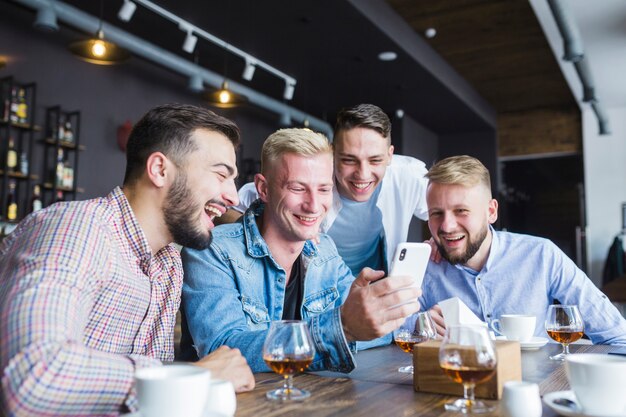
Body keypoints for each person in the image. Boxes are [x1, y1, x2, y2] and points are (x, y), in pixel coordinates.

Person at [0, 104, 255, 417]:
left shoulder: (168, 263)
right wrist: (195, 377)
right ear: (160, 170)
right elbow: (33, 380)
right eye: (220, 174)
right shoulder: (77, 230)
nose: (232, 196)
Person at [181, 128, 421, 372]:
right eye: (297, 189)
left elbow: (375, 328)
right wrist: (343, 327)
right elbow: (223, 351)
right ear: (263, 189)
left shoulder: (324, 250)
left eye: (324, 189)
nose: (314, 206)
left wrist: (388, 315)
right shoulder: (211, 251)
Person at [419, 155, 626, 344]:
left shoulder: (542, 255)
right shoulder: (424, 265)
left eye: (461, 211)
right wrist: (420, 324)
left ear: (491, 212)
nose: (446, 226)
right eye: (436, 213)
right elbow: (394, 331)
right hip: (456, 380)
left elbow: (616, 334)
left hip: (537, 382)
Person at [230, 103, 429, 276]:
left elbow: (449, 208)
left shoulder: (408, 175)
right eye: (349, 160)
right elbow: (229, 209)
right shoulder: (313, 176)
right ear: (333, 153)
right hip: (321, 292)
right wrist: (283, 230)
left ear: (389, 155)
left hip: (375, 288)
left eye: (375, 160)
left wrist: (439, 240)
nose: (363, 174)